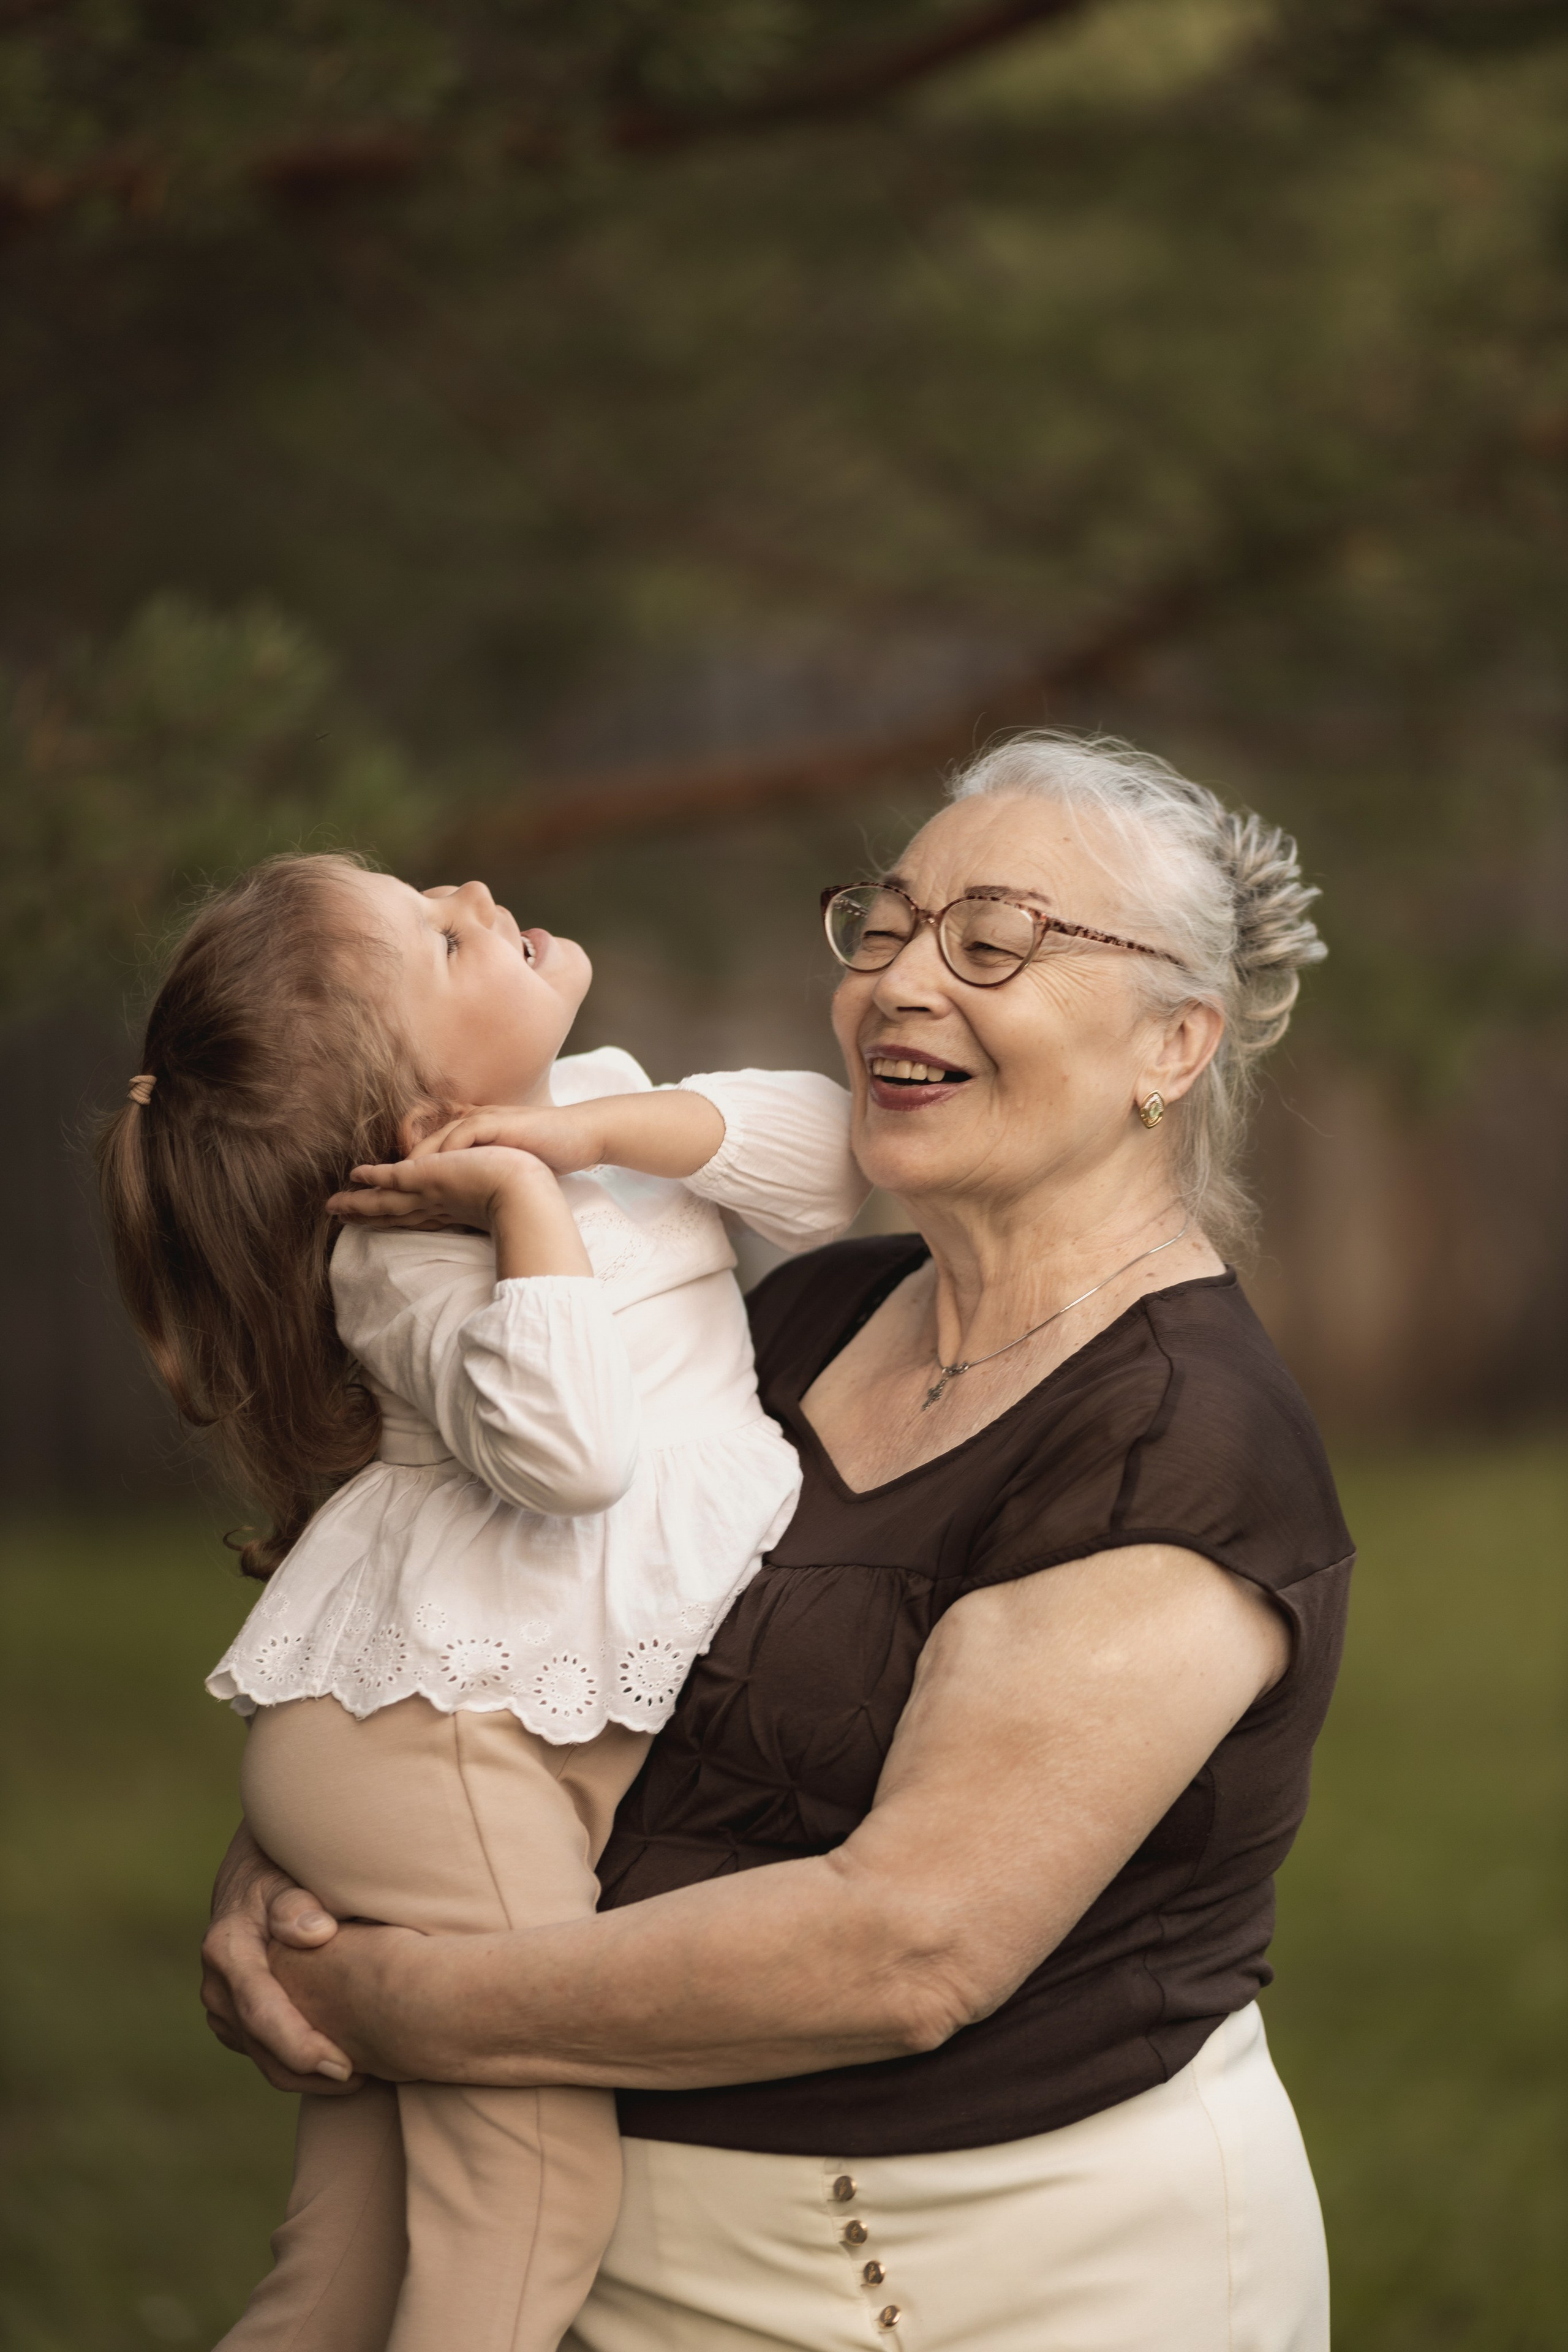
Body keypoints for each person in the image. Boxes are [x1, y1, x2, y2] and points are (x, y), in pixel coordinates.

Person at [202, 734, 1351, 2352]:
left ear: (1174, 1040)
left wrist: (391, 1998)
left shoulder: (1177, 1448)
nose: (901, 984)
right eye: (882, 929)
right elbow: (517, 1623)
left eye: (994, 942)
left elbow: (904, 1949)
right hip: (609, 2293)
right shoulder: (795, 1319)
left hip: (987, 2303)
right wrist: (313, 1868)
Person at [95, 850, 867, 2352]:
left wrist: (580, 1137)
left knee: (352, 2246)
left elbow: (832, 1155)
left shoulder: (603, 1109)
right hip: (435, 1746)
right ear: (421, 1128)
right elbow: (571, 1459)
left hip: (452, 1734)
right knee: (530, 2193)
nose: (469, 890)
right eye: (440, 940)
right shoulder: (405, 1256)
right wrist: (518, 1197)